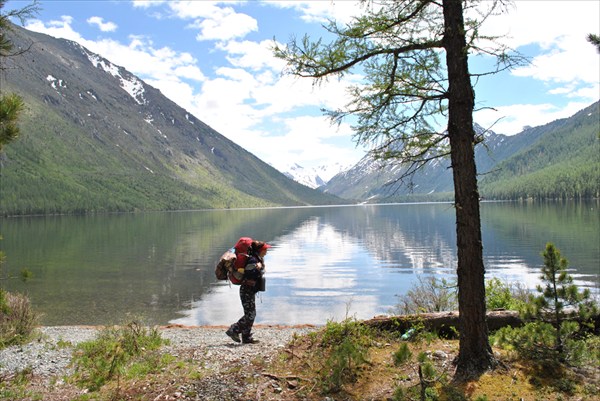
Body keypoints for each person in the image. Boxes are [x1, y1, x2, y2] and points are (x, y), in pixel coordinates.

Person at [226, 240, 271, 344]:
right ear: (260, 250)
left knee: (250, 314)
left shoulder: (257, 259)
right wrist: (258, 268)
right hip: (246, 290)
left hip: (249, 290)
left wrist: (260, 267)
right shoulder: (253, 260)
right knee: (250, 314)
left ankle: (246, 338)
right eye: (265, 249)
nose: (266, 251)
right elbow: (249, 273)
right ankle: (233, 330)